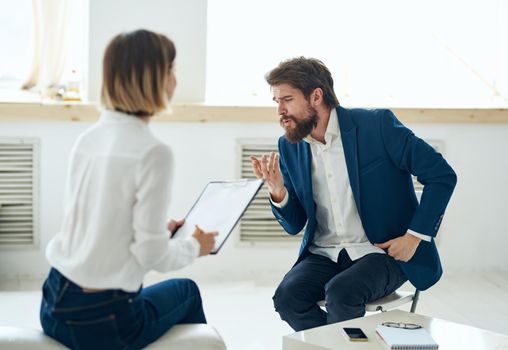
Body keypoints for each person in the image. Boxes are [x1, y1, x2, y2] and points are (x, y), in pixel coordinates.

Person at [39, 29, 217, 349]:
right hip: (103, 319)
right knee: (186, 291)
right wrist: (195, 246)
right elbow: (154, 256)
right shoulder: (153, 152)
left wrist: (160, 231)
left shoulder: (88, 139)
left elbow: (95, 224)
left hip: (54, 301)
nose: (175, 81)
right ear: (154, 79)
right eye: (171, 70)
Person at [250, 57, 457, 331]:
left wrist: (414, 237)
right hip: (324, 254)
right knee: (288, 297)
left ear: (316, 96)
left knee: (342, 292)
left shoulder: (377, 125)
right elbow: (295, 224)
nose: (280, 111)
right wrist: (278, 191)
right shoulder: (290, 146)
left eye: (286, 99)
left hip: (383, 252)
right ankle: (339, 343)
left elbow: (441, 175)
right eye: (276, 102)